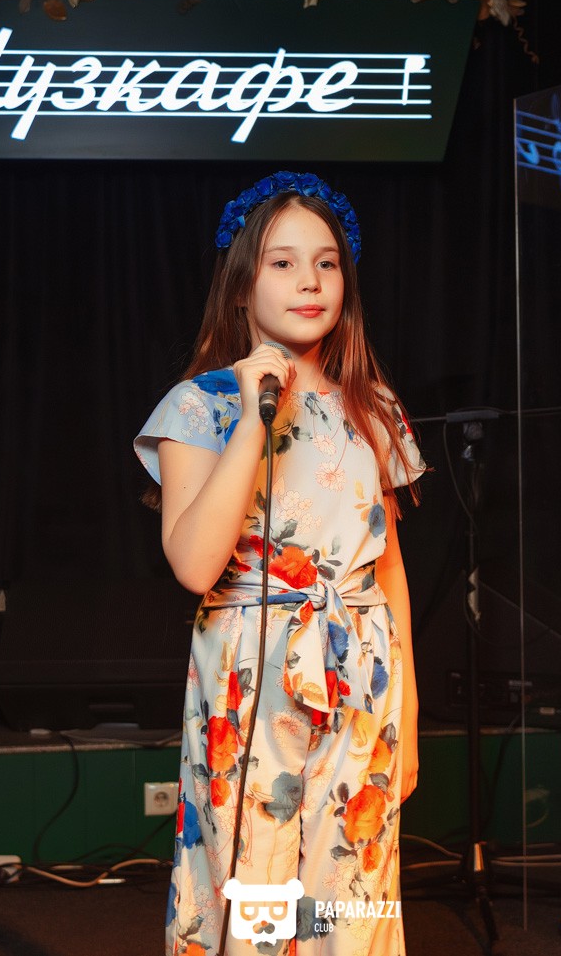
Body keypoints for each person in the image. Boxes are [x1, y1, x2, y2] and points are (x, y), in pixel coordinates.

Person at [135, 171, 426, 955]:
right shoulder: (200, 406)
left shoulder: (374, 405)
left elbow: (388, 568)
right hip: (249, 673)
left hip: (359, 667)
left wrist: (410, 714)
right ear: (241, 288)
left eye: (326, 263)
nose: (309, 280)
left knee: (351, 884)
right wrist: (253, 418)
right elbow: (195, 565)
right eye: (283, 262)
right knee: (253, 884)